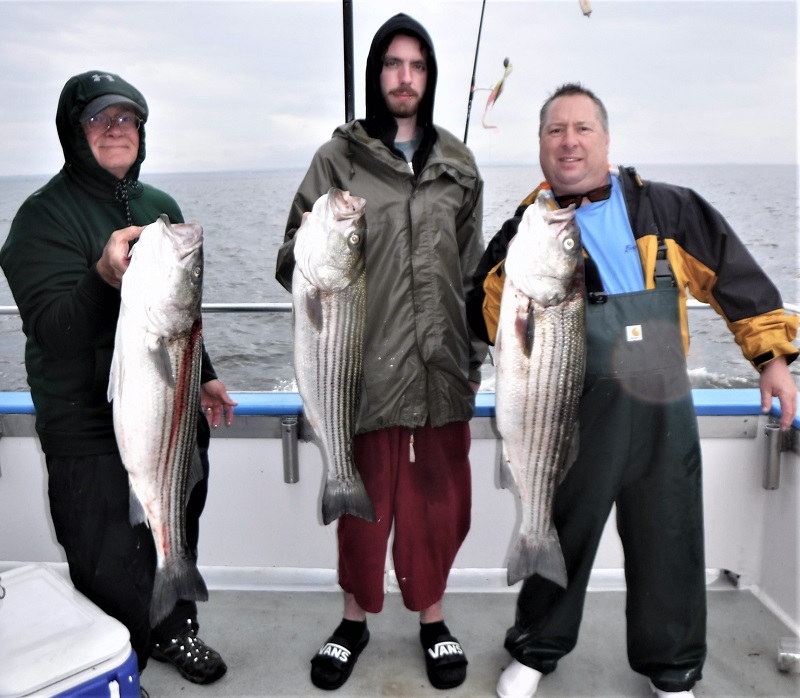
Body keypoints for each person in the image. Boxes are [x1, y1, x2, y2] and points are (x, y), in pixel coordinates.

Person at [466, 82, 799, 698]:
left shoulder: (665, 209)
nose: (568, 141)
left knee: (669, 537)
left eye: (582, 128)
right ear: (540, 145)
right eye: (555, 130)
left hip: (661, 413)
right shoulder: (525, 227)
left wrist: (772, 359)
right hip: (569, 410)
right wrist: (513, 275)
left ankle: (672, 670)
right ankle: (537, 649)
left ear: (606, 139)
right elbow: (483, 320)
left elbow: (734, 275)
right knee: (560, 529)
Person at [0, 70, 237, 687]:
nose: (115, 129)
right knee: (107, 566)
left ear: (142, 130)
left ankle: (175, 629)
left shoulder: (161, 209)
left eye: (127, 118)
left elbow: (180, 320)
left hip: (171, 416)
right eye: (99, 119)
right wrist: (102, 278)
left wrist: (206, 377)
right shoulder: (40, 219)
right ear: (72, 132)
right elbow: (54, 330)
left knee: (174, 525)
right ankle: (117, 664)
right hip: (86, 431)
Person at [276, 14, 486, 691]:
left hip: (441, 371)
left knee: (438, 509)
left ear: (430, 77)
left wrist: (475, 354)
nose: (404, 77)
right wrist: (315, 241)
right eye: (393, 64)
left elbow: (472, 272)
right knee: (360, 516)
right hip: (360, 374)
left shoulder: (459, 162)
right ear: (376, 74)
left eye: (417, 65)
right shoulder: (336, 161)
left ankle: (433, 618)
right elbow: (289, 259)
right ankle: (353, 620)